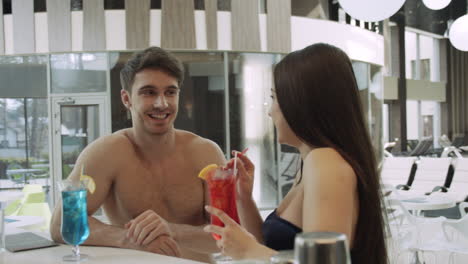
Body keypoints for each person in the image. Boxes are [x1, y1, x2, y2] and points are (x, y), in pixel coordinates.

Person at [203, 43, 388, 263]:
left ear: (301, 102)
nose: (269, 111)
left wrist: (249, 251)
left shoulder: (325, 162)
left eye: (274, 98)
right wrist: (244, 198)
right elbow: (272, 247)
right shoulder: (310, 162)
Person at [50, 47, 225, 262]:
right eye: (149, 92)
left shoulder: (206, 153)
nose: (162, 103)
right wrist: (128, 239)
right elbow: (60, 226)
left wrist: (172, 230)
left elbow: (228, 236)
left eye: (170, 92)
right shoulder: (106, 154)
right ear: (127, 99)